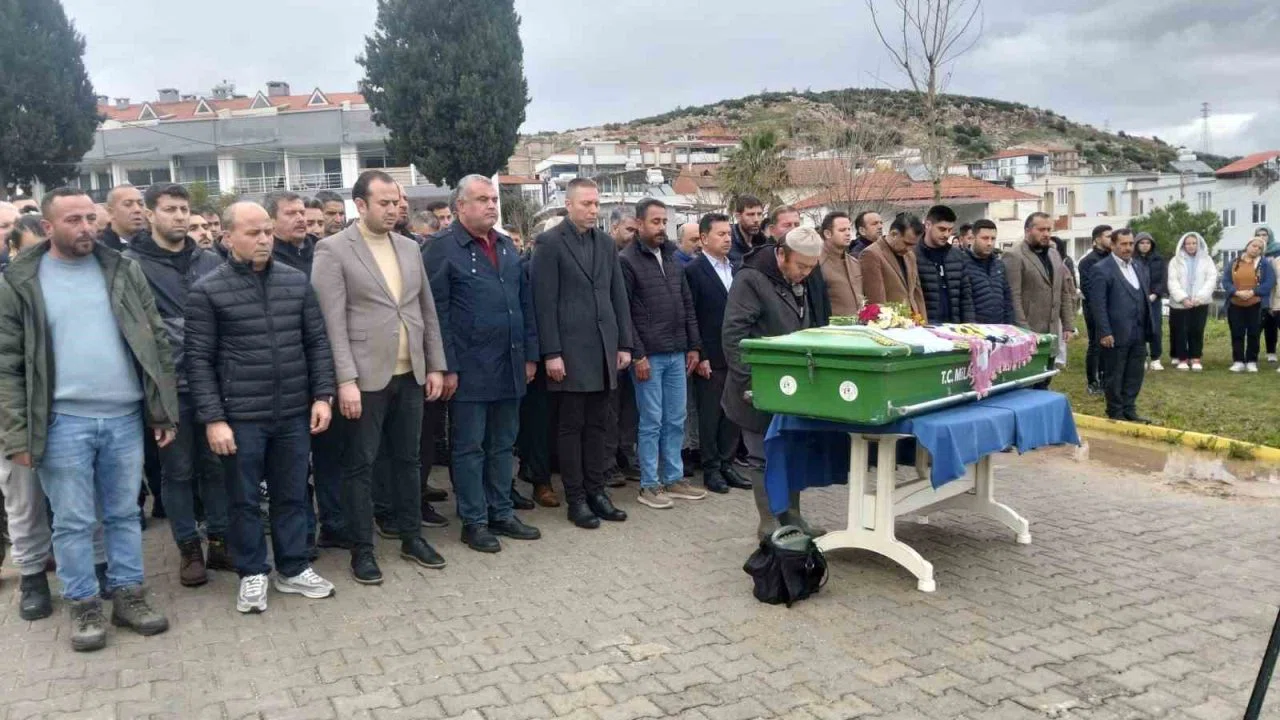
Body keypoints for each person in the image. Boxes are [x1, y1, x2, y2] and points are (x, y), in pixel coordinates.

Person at [0, 187, 177, 651]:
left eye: (90, 218)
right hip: (61, 421)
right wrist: (18, 435)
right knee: (73, 521)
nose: (86, 228)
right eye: (73, 220)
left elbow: (154, 339)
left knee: (124, 515)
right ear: (48, 227)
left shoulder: (122, 269)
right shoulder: (21, 281)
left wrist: (161, 409)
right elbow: (8, 365)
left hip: (123, 417)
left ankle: (129, 595)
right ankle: (83, 603)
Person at [186, 201, 337, 613]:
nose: (264, 239)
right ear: (227, 237)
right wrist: (214, 419)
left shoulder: (295, 281)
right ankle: (252, 572)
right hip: (241, 417)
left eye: (268, 231)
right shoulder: (207, 291)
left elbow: (316, 342)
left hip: (292, 411)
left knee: (292, 494)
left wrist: (322, 395)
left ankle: (293, 567)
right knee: (244, 500)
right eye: (253, 233)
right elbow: (198, 361)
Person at [311, 170, 448, 583]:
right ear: (361, 205)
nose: (394, 209)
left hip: (411, 374)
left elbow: (426, 310)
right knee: (360, 466)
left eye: (397, 202)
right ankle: (362, 550)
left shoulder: (409, 247)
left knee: (409, 460)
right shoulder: (332, 250)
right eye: (384, 203)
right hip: (364, 379)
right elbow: (330, 323)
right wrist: (345, 380)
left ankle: (411, 537)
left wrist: (435, 364)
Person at [425, 176, 541, 553]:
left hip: (509, 362)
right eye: (482, 199)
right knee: (469, 448)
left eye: (494, 199)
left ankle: (501, 512)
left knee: (503, 445)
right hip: (469, 368)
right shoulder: (441, 247)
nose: (492, 205)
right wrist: (446, 366)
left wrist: (529, 355)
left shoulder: (505, 246)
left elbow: (524, 305)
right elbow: (436, 312)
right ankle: (474, 521)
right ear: (460, 207)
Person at [122, 184, 228, 587]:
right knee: (178, 471)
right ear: (151, 214)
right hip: (168, 386)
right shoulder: (131, 265)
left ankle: (219, 541)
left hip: (213, 381)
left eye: (184, 209)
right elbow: (139, 332)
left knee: (216, 465)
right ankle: (188, 549)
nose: (180, 216)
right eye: (170, 209)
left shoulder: (209, 260)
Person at [531, 178, 633, 529]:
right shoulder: (549, 243)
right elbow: (544, 303)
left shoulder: (605, 243)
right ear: (568, 204)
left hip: (603, 349)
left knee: (599, 425)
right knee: (571, 427)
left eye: (596, 204)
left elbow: (617, 295)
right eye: (586, 204)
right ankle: (575, 499)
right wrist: (552, 352)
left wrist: (624, 344)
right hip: (569, 352)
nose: (593, 210)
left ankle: (597, 492)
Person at [723, 228, 829, 540]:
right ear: (781, 254)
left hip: (791, 386)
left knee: (792, 452)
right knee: (761, 455)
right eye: (801, 266)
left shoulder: (800, 278)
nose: (805, 273)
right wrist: (749, 383)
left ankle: (792, 516)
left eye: (811, 267)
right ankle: (768, 522)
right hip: (757, 383)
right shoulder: (750, 279)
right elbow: (733, 335)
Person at [620, 199, 705, 508]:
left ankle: (673, 478)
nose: (661, 227)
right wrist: (638, 355)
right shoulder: (627, 260)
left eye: (664, 222)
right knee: (652, 421)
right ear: (639, 223)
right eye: (655, 221)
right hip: (649, 356)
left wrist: (693, 345)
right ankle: (649, 485)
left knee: (676, 418)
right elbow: (625, 313)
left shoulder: (671, 257)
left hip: (676, 351)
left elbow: (686, 304)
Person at [685, 213, 751, 495]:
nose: (727, 239)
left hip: (736, 353)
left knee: (733, 413)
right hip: (710, 355)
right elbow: (691, 315)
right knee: (710, 414)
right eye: (720, 234)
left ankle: (727, 463)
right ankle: (711, 467)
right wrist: (699, 352)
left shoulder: (736, 268)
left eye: (729, 234)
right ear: (703, 238)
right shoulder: (694, 271)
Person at [1088, 229, 1154, 423]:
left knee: (1135, 372)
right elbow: (1097, 304)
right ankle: (1115, 411)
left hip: (1139, 330)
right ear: (1113, 245)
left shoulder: (1139, 266)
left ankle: (1129, 409)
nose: (1128, 248)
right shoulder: (1101, 269)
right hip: (1115, 332)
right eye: (1123, 244)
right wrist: (1104, 331)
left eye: (1131, 244)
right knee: (1115, 374)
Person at [1004, 212, 1075, 387]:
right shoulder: (1014, 255)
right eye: (1041, 229)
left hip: (1051, 333)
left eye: (1049, 229)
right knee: (1027, 385)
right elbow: (1013, 297)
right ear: (1028, 230)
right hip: (1028, 332)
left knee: (1045, 380)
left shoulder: (1054, 254)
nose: (1046, 234)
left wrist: (1068, 324)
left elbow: (1063, 291)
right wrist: (1025, 332)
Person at [1221, 233, 1276, 373]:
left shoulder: (1264, 264)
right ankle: (1238, 361)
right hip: (1235, 303)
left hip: (1256, 304)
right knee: (1237, 333)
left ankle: (1251, 361)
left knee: (1254, 333)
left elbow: (1270, 282)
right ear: (1247, 246)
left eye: (1259, 248)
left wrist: (1253, 292)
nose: (1256, 249)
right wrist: (1236, 292)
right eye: (1254, 245)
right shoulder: (1235, 262)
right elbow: (1225, 280)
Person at [1166, 232, 1217, 371]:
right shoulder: (1175, 261)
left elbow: (1211, 278)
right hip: (1180, 303)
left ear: (1198, 244)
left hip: (1200, 302)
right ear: (1183, 245)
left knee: (1197, 330)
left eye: (1194, 243)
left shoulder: (1207, 260)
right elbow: (1172, 281)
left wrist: (1200, 297)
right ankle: (1182, 358)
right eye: (1188, 243)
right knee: (1180, 330)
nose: (1191, 246)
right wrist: (1183, 298)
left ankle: (1195, 358)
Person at [861, 212, 927, 320]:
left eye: (913, 245)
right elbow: (876, 300)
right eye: (907, 243)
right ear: (894, 234)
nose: (909, 249)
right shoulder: (871, 254)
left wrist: (924, 323)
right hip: (890, 323)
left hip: (914, 322)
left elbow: (917, 293)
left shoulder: (910, 255)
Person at [915, 205, 972, 324]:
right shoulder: (912, 255)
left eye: (950, 230)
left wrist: (969, 325)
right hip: (925, 327)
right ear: (928, 225)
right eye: (942, 229)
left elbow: (966, 298)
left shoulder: (958, 256)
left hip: (954, 327)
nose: (946, 234)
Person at [1077, 225, 1113, 394]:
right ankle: (1093, 381)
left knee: (1110, 345)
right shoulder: (1088, 261)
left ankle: (1107, 379)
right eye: (1108, 236)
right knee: (1096, 344)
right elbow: (1088, 288)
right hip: (1094, 309)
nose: (1111, 239)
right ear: (1097, 239)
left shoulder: (1113, 258)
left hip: (1112, 307)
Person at [961, 220, 1015, 325]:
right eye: (985, 238)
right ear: (973, 238)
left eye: (993, 239)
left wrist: (1009, 325)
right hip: (975, 329)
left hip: (1000, 328)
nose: (989, 243)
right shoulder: (962, 263)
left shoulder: (999, 265)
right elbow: (964, 302)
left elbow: (1007, 299)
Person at [819, 211, 864, 316]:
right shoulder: (817, 263)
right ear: (827, 234)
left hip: (859, 323)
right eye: (842, 230)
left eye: (849, 229)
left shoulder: (855, 263)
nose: (848, 233)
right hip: (832, 324)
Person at [1134, 232, 1167, 371]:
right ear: (1137, 244)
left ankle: (1155, 358)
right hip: (1137, 300)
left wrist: (1155, 294)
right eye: (1142, 243)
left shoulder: (1159, 259)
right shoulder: (1132, 260)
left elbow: (1163, 279)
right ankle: (1141, 357)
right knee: (1139, 328)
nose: (1145, 245)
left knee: (1155, 329)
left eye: (1147, 243)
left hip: (1154, 300)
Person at [266, 191, 316, 276]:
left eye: (302, 213)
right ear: (271, 220)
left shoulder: (321, 249)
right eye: (291, 214)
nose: (301, 219)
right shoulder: (265, 256)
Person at [100, 184, 148, 251]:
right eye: (128, 204)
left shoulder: (154, 246)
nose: (137, 209)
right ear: (110, 212)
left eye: (141, 204)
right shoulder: (100, 249)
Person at [1259, 227, 1279, 364]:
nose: (1262, 237)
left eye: (1264, 234)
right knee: (1260, 323)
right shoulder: (1253, 250)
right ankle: (1254, 353)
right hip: (1259, 293)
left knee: (1273, 322)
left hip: (1275, 292)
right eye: (1258, 235)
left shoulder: (1277, 251)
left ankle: (1272, 352)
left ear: (1269, 236)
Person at [729, 195, 766, 264]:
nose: (756, 220)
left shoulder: (764, 243)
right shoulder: (728, 243)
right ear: (738, 217)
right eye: (750, 214)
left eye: (759, 214)